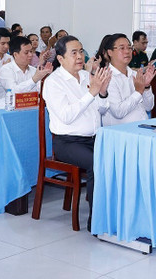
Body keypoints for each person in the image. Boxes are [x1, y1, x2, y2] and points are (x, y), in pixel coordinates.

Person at [42, 35, 110, 231]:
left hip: (94, 138)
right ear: (61, 58)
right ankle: (97, 222)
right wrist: (91, 93)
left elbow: (102, 109)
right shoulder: (53, 82)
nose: (80, 56)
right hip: (68, 143)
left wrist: (102, 92)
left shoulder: (86, 77)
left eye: (81, 51)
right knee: (97, 163)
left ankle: (115, 213)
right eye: (74, 53)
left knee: (118, 157)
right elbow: (66, 116)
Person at [98, 33, 156, 126]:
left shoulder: (136, 75)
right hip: (121, 131)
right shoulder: (106, 78)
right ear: (110, 52)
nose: (127, 51)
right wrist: (138, 92)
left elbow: (149, 107)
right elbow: (118, 112)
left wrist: (146, 87)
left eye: (129, 48)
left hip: (143, 127)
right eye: (122, 48)